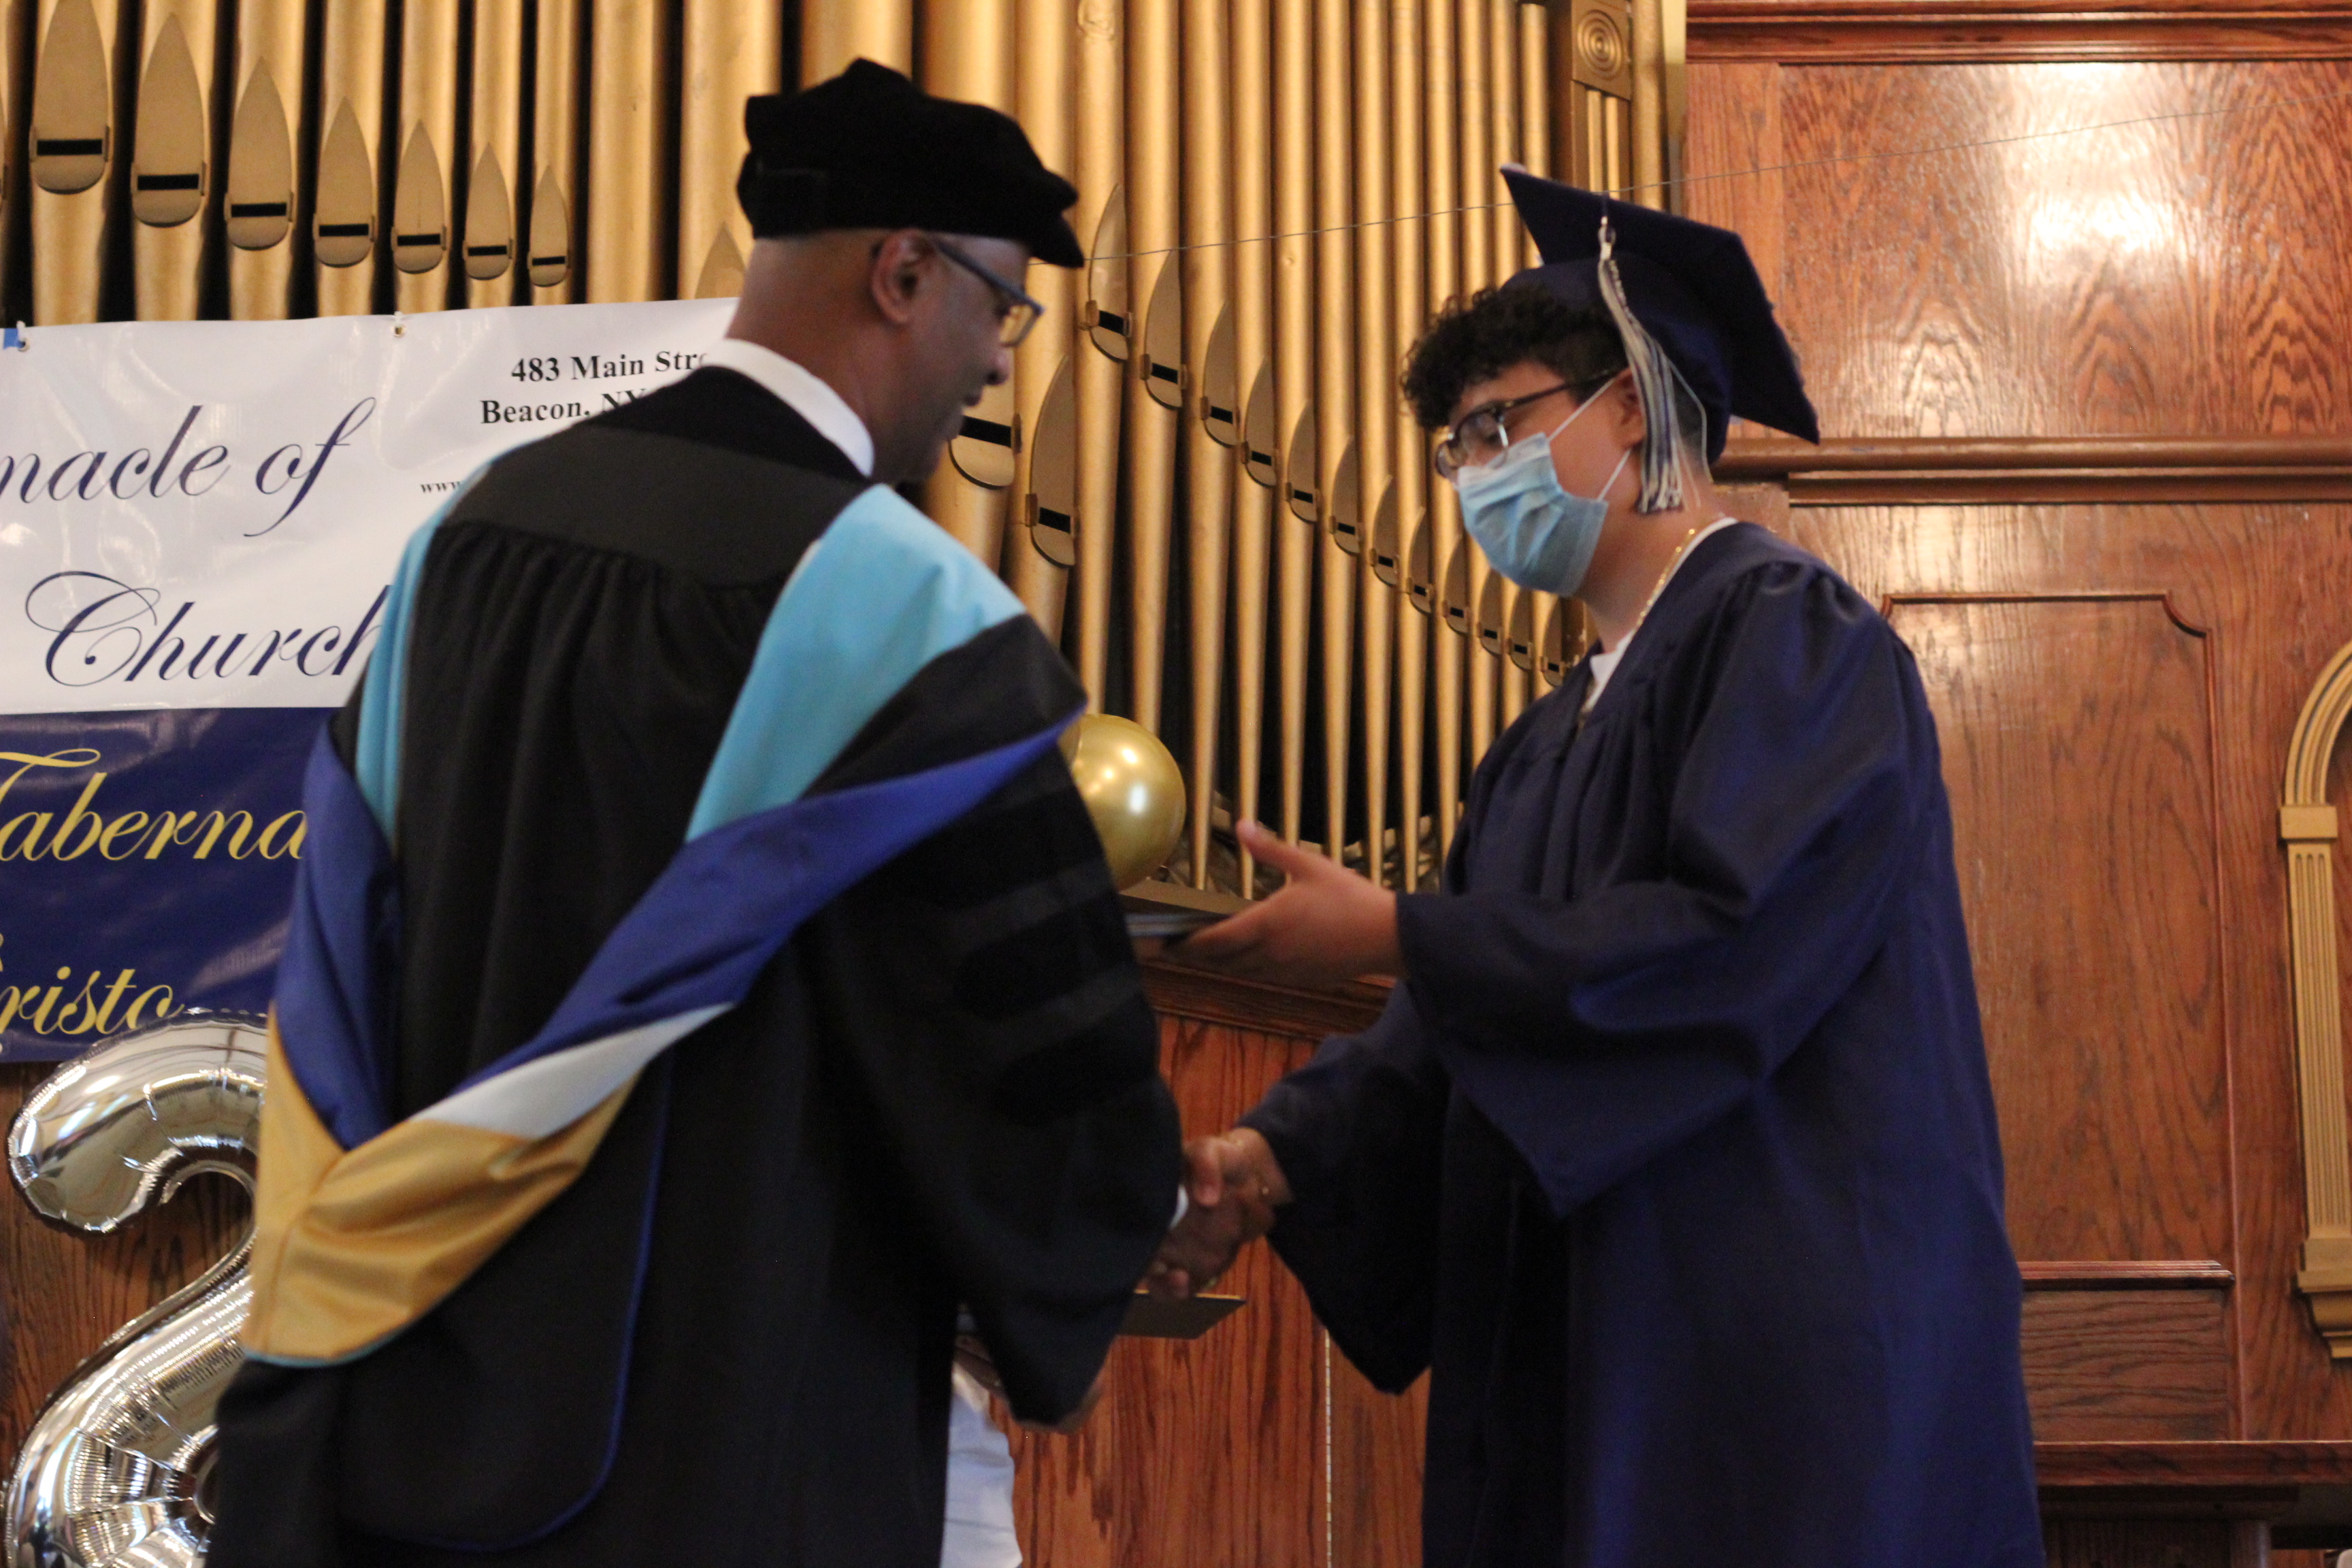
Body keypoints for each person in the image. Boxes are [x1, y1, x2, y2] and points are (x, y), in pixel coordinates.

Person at [207, 61, 1181, 1568]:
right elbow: (1015, 1060)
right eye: (1004, 307)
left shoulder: (466, 541)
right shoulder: (902, 619)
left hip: (415, 1375)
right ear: (904, 273)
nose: (1000, 364)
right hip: (731, 1412)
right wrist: (1133, 1217)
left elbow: (348, 944)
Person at [1152, 168, 2044, 1567]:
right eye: (1454, 448)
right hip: (1596, 1333)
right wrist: (1269, 1162)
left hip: (1769, 1345)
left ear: (1629, 407)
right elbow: (1453, 1032)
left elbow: (1724, 942)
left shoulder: (1792, 639)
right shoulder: (1537, 746)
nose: (1473, 477)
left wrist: (1397, 928)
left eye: (1496, 428)